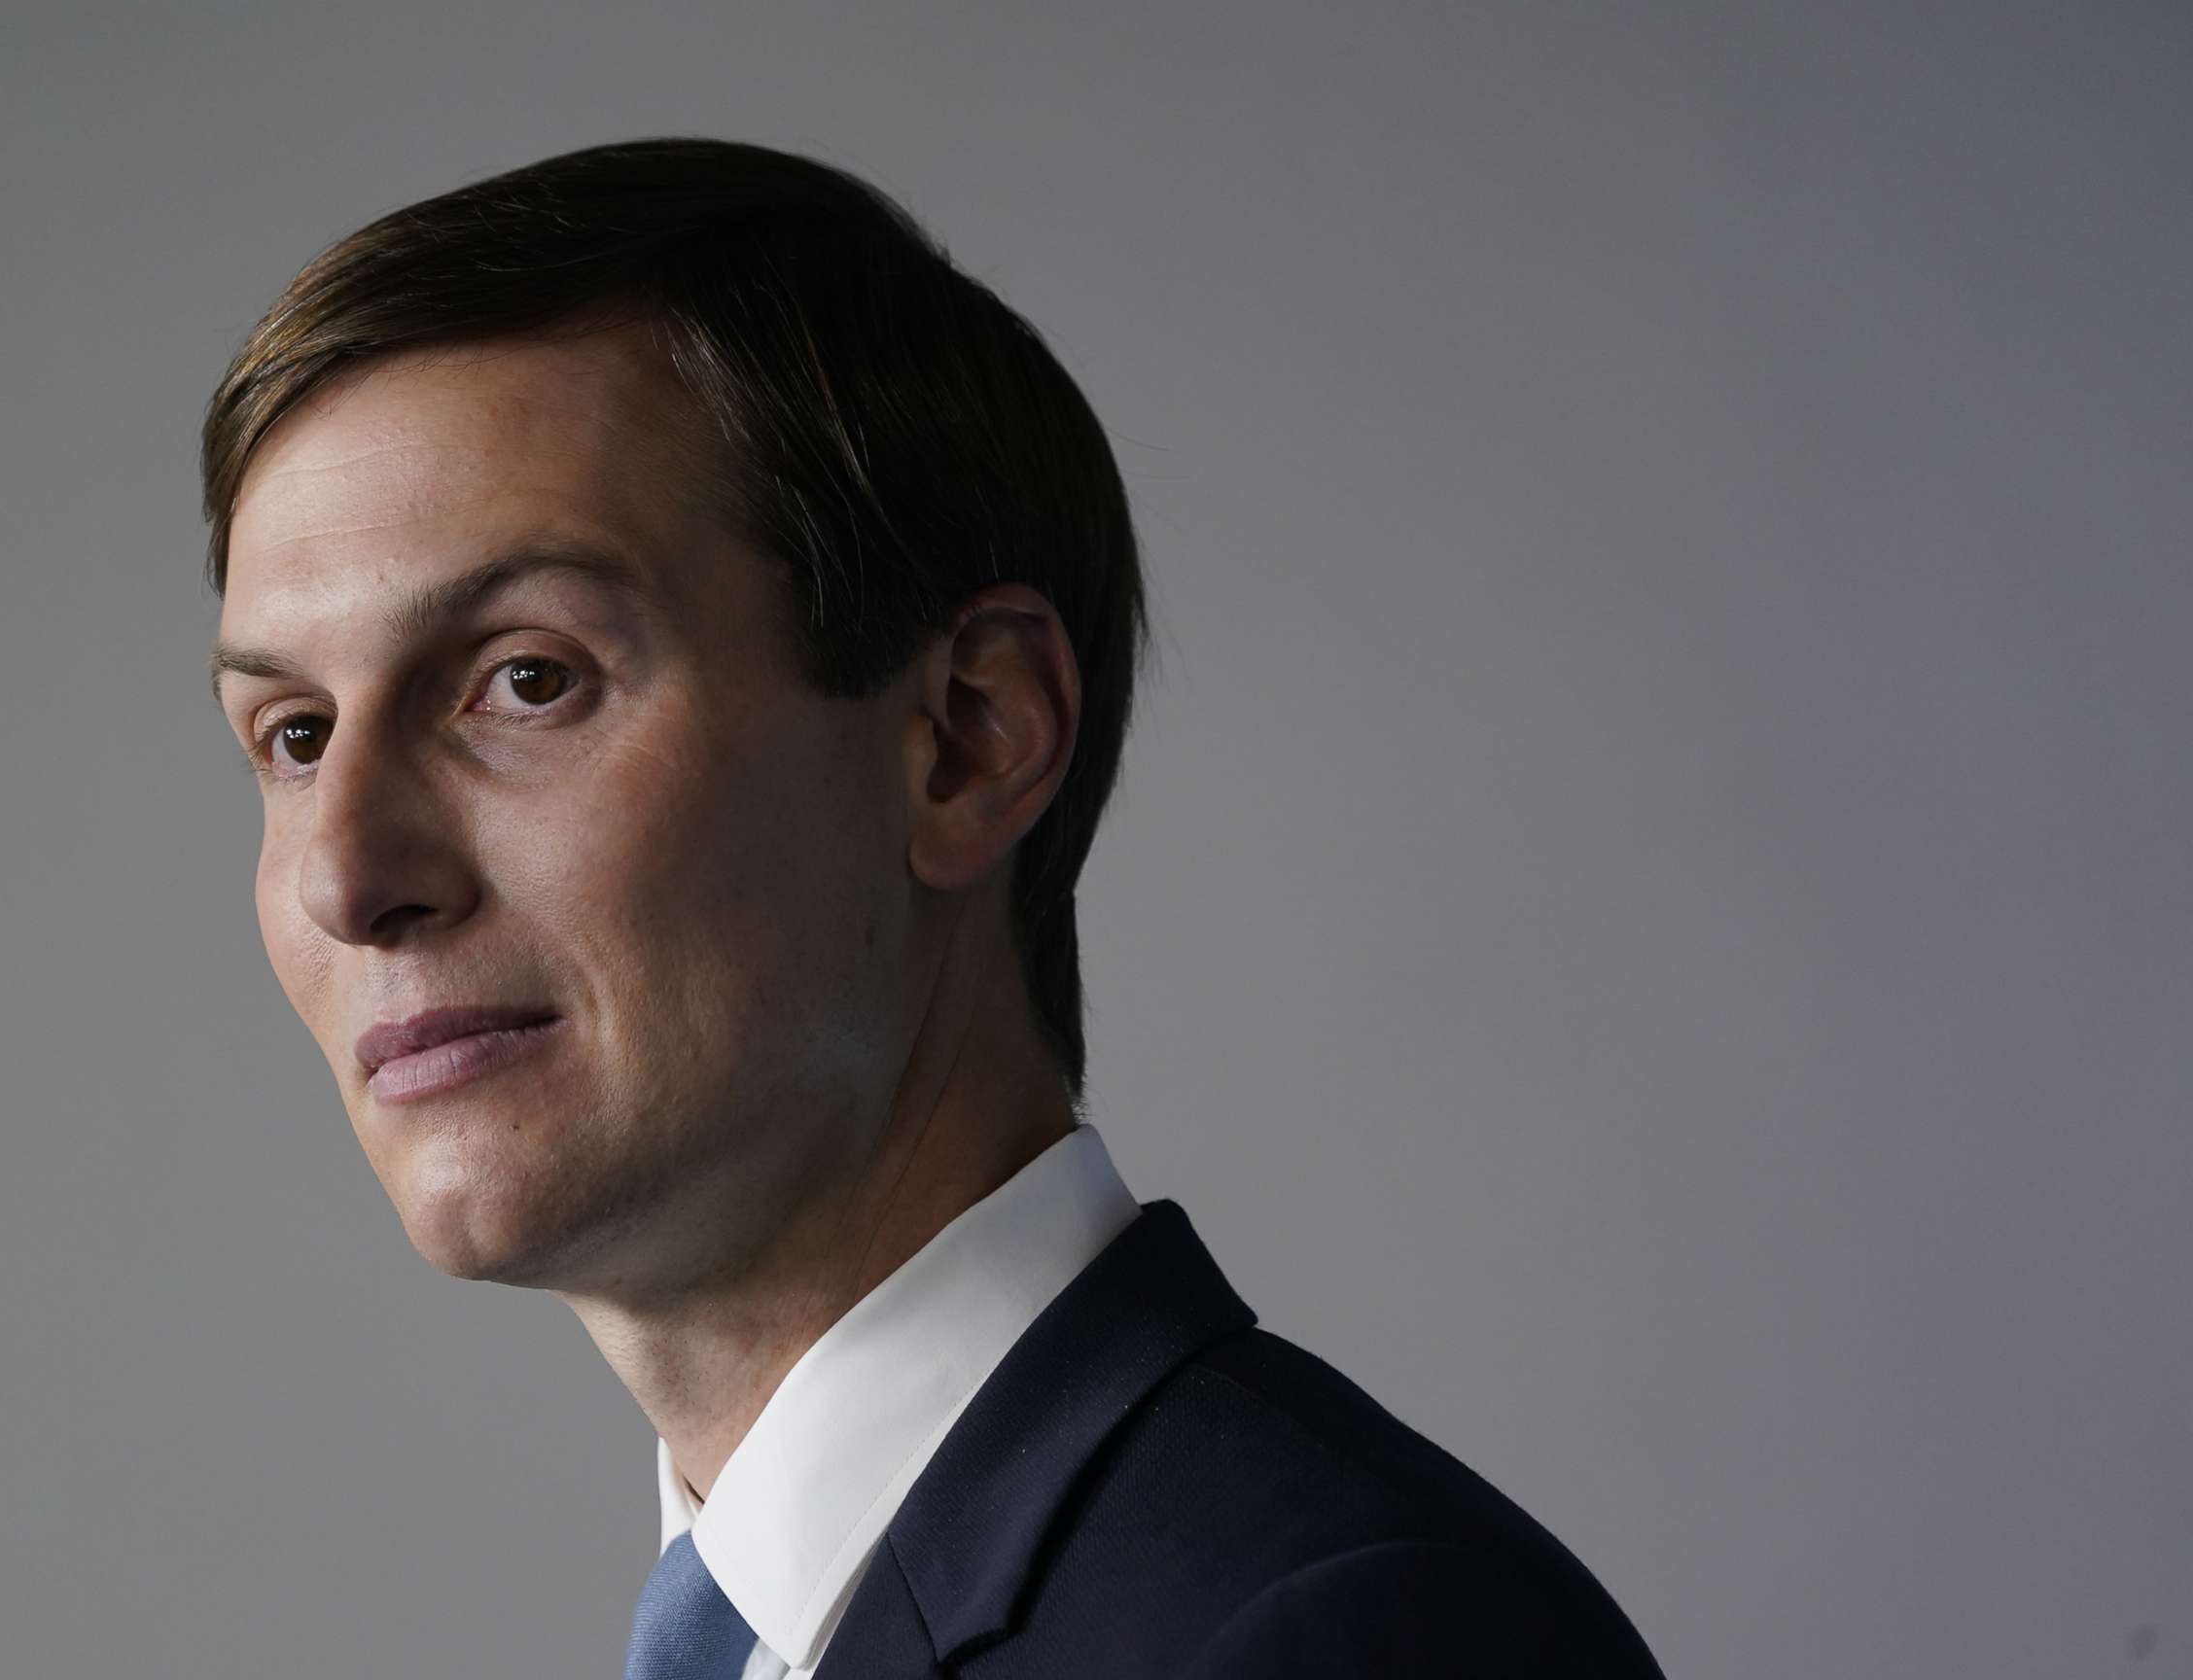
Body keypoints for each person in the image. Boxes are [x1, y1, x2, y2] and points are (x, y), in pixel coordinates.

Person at [198, 136, 1665, 1678]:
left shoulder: (1338, 1640)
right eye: (294, 735)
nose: (348, 876)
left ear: (968, 738)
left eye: (528, 680)